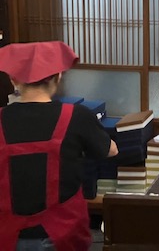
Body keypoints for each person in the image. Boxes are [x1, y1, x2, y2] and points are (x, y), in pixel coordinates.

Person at [0, 41, 118, 250]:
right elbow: (110, 150)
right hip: (62, 233)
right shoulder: (76, 116)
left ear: (14, 80)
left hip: (7, 235)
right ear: (58, 77)